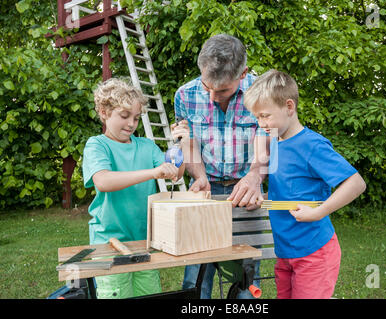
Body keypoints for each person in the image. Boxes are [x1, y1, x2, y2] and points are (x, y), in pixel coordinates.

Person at [244, 69, 367, 299]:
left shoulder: (312, 145)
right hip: (286, 252)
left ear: (289, 107)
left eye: (266, 116)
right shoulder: (275, 143)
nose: (261, 123)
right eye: (257, 117)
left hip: (314, 253)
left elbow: (356, 183)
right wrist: (264, 201)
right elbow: (290, 190)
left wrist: (318, 212)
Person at [172, 34, 269, 299]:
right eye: (207, 87)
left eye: (222, 90)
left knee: (247, 278)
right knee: (196, 275)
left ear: (243, 73)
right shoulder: (184, 95)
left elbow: (267, 141)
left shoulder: (262, 93)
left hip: (246, 194)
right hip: (206, 192)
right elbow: (187, 142)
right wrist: (199, 175)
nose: (213, 97)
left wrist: (254, 176)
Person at [82, 78, 186, 299]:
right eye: (124, 116)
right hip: (108, 243)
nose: (131, 123)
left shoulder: (146, 146)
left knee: (148, 294)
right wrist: (153, 172)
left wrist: (182, 144)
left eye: (136, 118)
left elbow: (175, 173)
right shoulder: (97, 145)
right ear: (104, 112)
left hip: (143, 241)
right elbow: (103, 181)